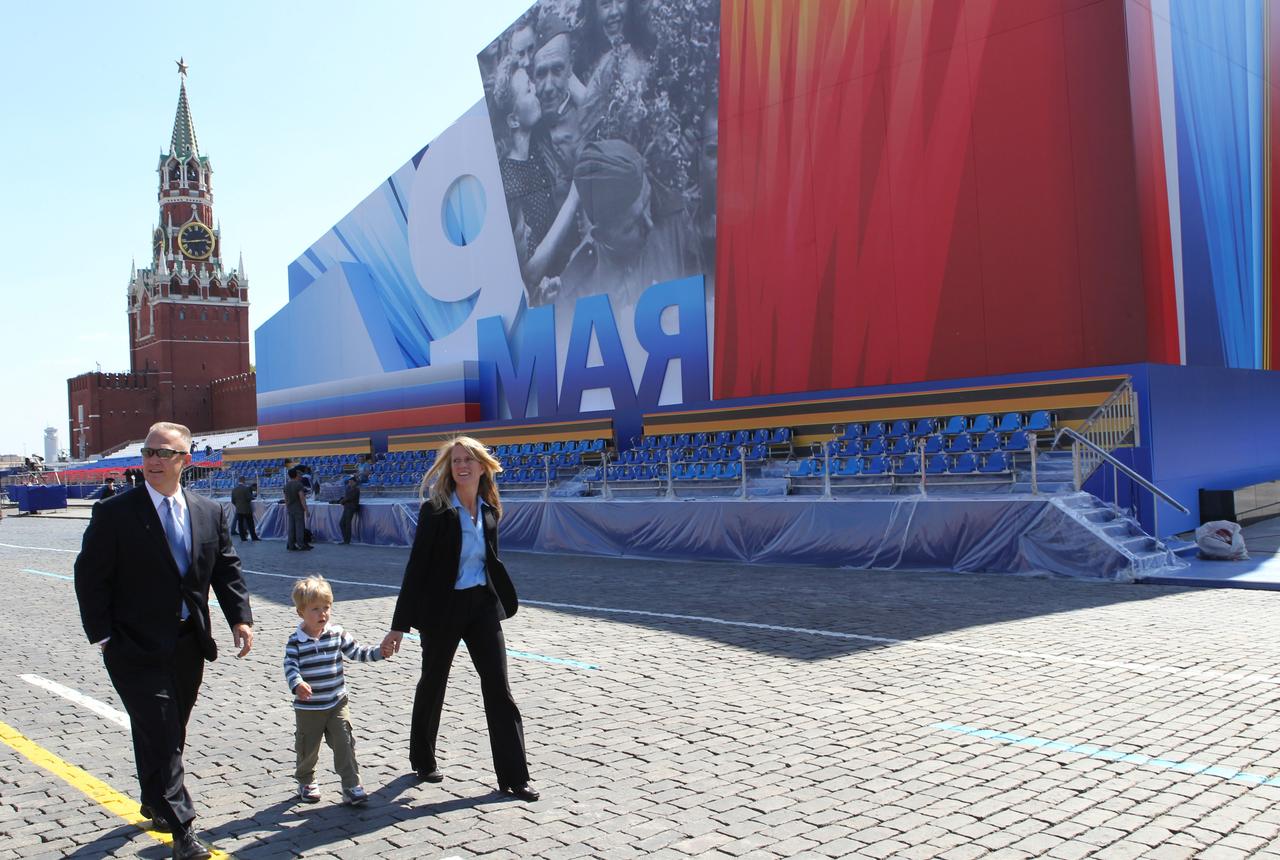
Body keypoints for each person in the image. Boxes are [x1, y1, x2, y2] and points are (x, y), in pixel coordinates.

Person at [73, 421, 254, 860]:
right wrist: (102, 635)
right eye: (149, 452)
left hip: (189, 640)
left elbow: (225, 568)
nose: (153, 460)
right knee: (161, 727)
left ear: (185, 461)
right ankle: (183, 829)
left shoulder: (209, 511)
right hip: (132, 644)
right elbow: (89, 575)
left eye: (164, 453)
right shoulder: (116, 512)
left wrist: (240, 619)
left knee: (168, 729)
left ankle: (154, 798)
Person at [380, 436, 539, 802]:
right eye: (455, 461)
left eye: (469, 459)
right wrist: (399, 625)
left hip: (482, 606)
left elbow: (489, 560)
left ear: (483, 465)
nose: (462, 466)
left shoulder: (489, 510)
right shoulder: (435, 511)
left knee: (499, 687)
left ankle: (515, 776)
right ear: (448, 469)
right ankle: (422, 758)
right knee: (433, 682)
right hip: (442, 609)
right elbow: (416, 569)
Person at [284, 576, 387, 806]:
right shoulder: (296, 641)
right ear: (301, 612)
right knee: (307, 746)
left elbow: (358, 652)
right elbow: (290, 667)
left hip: (337, 702)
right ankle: (306, 779)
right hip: (309, 707)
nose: (323, 614)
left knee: (345, 742)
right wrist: (298, 683)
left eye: (326, 608)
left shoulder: (337, 634)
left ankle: (351, 784)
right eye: (315, 609)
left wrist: (380, 652)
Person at [283, 468, 310, 551]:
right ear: (296, 474)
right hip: (298, 509)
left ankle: (290, 544)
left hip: (290, 509)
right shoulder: (298, 485)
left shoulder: (286, 485)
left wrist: (287, 507)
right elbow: (302, 498)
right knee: (299, 527)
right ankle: (301, 544)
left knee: (291, 528)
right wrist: (306, 510)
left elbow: (285, 499)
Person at [230, 477, 260, 542]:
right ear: (244, 481)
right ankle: (254, 537)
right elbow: (249, 498)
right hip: (246, 509)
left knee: (240, 524)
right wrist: (254, 496)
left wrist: (237, 505)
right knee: (250, 524)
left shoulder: (234, 489)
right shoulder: (246, 489)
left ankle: (243, 538)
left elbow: (233, 501)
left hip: (239, 509)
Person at [339, 477, 361, 545]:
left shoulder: (356, 489)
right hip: (346, 507)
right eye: (349, 482)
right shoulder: (348, 488)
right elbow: (346, 497)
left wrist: (342, 501)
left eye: (351, 482)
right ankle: (345, 539)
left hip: (351, 507)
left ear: (355, 482)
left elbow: (349, 498)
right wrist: (342, 501)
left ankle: (347, 540)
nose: (350, 483)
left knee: (347, 523)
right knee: (342, 523)